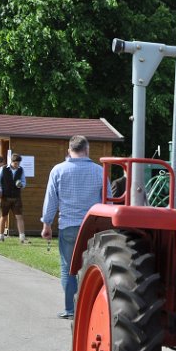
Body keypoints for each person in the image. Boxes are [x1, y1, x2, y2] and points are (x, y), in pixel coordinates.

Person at [41, 135, 103, 319]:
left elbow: (51, 199)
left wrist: (46, 223)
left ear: (69, 150)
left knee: (68, 268)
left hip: (68, 224)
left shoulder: (58, 170)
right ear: (87, 149)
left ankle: (70, 309)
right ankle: (89, 308)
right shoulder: (99, 171)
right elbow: (106, 199)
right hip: (92, 226)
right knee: (92, 268)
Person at [0, 153, 28, 243]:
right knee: (3, 217)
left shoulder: (21, 170)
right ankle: (1, 236)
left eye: (18, 163)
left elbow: (24, 182)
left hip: (16, 197)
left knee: (19, 217)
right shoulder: (3, 169)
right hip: (5, 197)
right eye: (15, 163)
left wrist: (21, 184)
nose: (17, 165)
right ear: (11, 162)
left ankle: (22, 237)